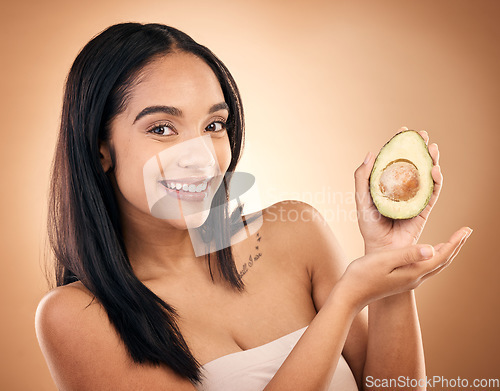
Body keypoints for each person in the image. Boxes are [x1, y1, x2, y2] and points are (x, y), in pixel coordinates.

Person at [35, 22, 472, 391]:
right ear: (100, 150)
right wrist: (345, 301)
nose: (200, 156)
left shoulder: (296, 232)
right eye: (163, 128)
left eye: (214, 125)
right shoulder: (75, 316)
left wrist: (388, 269)